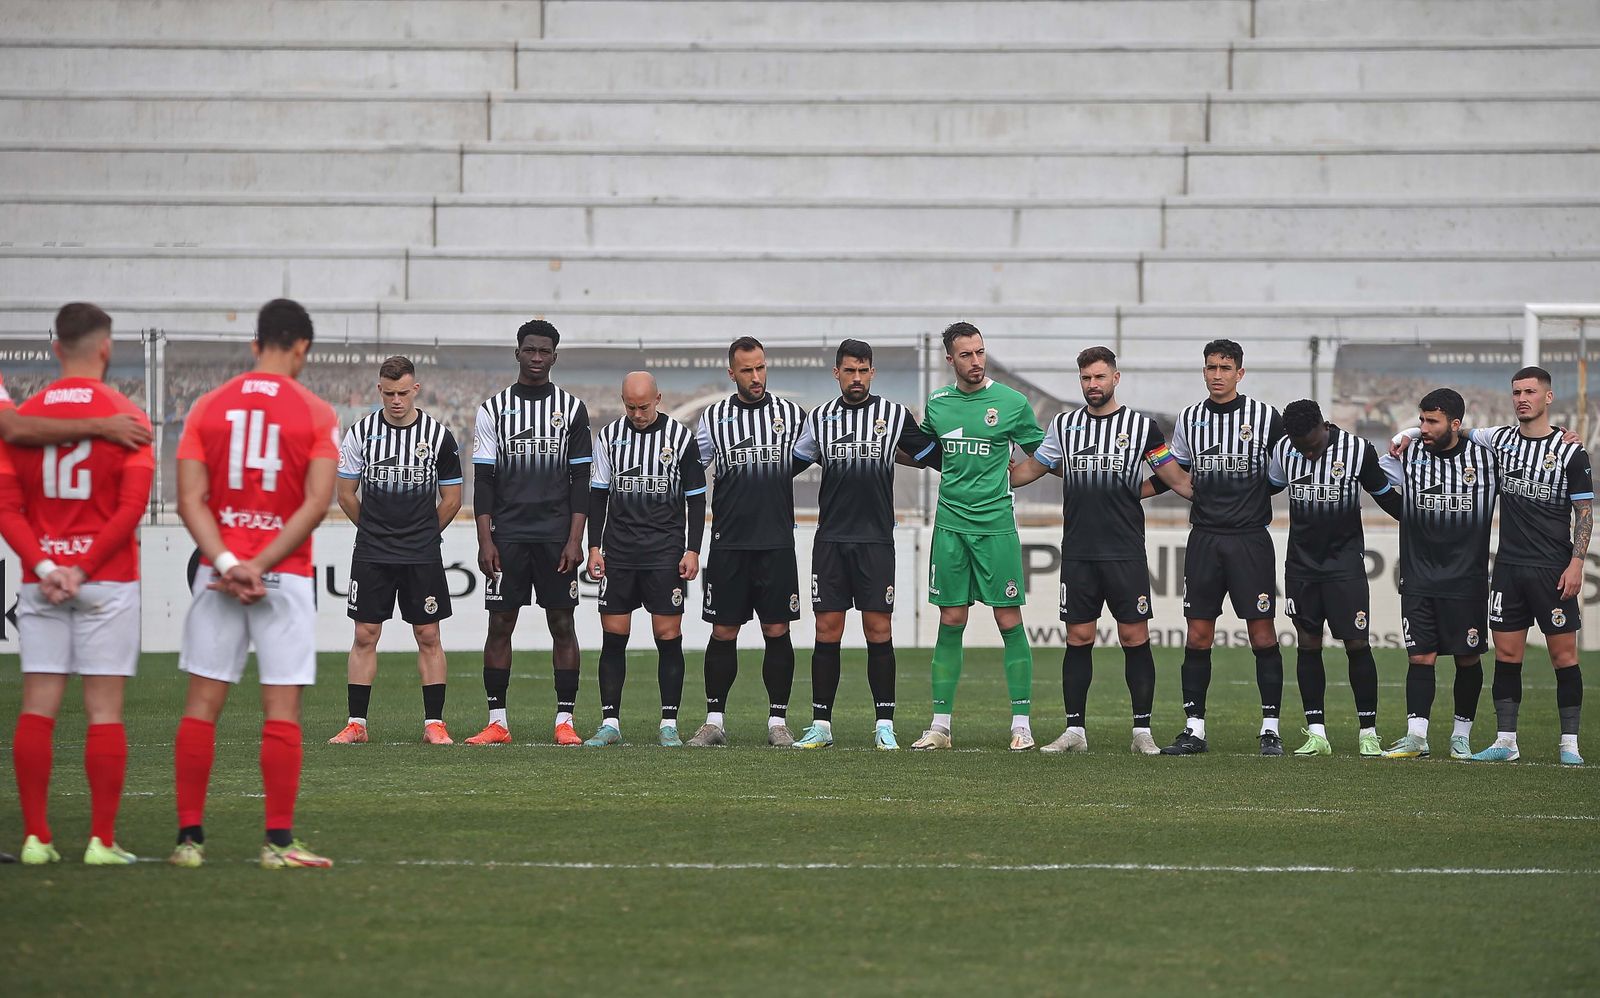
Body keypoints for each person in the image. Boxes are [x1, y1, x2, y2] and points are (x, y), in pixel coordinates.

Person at [169, 298, 339, 869]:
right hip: (282, 576)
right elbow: (317, 503)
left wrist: (225, 560)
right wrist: (260, 565)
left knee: (201, 706)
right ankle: (278, 844)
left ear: (254, 345)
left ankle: (189, 842)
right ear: (302, 349)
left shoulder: (207, 408)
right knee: (281, 709)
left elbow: (187, 500)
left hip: (218, 576)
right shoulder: (315, 412)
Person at [0, 302, 153, 866]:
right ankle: (101, 841)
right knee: (104, 712)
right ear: (106, 349)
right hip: (105, 580)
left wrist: (46, 567)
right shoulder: (126, 416)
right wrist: (84, 568)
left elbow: (7, 506)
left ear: (55, 348)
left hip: (42, 582)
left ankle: (36, 839)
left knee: (37, 707)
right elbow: (132, 506)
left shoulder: (21, 416)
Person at [1393, 368, 1589, 765]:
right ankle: (1506, 741)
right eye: (1517, 392)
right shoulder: (1498, 441)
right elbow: (1450, 430)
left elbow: (1584, 511)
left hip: (1553, 567)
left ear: (1547, 398)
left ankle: (1570, 743)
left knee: (1564, 658)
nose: (1522, 398)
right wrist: (1406, 434)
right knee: (1506, 656)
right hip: (1509, 568)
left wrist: (1577, 562)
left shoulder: (1571, 450)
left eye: (1530, 392)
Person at [1009, 345, 1191, 755]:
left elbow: (1174, 477)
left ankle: (1141, 731)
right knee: (1078, 637)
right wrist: (990, 472)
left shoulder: (1142, 427)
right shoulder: (1064, 425)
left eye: (1099, 377)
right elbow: (1031, 469)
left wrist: (1216, 495)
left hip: (1125, 550)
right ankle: (1075, 730)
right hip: (1078, 551)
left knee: (1133, 635)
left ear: (1115, 378)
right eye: (1086, 378)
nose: (1093, 385)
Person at [789, 339, 940, 750]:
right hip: (832, 540)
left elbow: (935, 456)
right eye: (849, 371)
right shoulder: (819, 419)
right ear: (836, 373)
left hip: (875, 540)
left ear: (872, 373)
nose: (856, 378)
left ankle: (884, 725)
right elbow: (789, 464)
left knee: (878, 630)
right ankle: (821, 725)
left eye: (863, 370)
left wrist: (984, 458)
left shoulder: (893, 415)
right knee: (827, 629)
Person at [910, 322, 1045, 751]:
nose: (976, 361)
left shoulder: (1010, 402)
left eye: (980, 352)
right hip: (950, 526)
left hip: (995, 527)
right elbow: (926, 452)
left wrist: (1015, 480)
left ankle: (1021, 724)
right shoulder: (938, 404)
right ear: (949, 359)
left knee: (1009, 620)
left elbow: (1043, 452)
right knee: (951, 620)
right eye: (965, 354)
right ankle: (940, 726)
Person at [1155, 339, 1288, 756]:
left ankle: (1270, 728)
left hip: (1250, 539)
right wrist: (1135, 491)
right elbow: (1173, 468)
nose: (1217, 374)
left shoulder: (1266, 418)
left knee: (1262, 635)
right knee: (1197, 635)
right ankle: (1194, 729)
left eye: (1225, 368)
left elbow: (1283, 470)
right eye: (1211, 367)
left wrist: (1250, 498)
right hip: (1205, 539)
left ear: (1240, 373)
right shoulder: (1191, 418)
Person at [466, 319, 591, 746]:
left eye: (544, 351)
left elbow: (581, 481)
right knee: (500, 623)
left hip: (556, 537)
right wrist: (485, 540)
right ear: (517, 353)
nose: (537, 358)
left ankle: (565, 721)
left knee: (562, 621)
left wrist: (576, 539)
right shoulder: (493, 409)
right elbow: (483, 479)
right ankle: (498, 722)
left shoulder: (572, 409)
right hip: (509, 536)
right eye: (530, 350)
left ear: (555, 356)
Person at [327, 355, 463, 746]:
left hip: (421, 553)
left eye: (403, 392)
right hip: (373, 551)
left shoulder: (439, 436)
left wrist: (421, 535)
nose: (396, 400)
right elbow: (345, 494)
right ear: (379, 391)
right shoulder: (361, 433)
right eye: (389, 394)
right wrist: (375, 531)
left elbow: (452, 499)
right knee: (365, 633)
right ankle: (357, 724)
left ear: (415, 389)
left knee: (428, 634)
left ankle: (434, 724)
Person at [686, 337, 806, 748]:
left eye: (760, 368)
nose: (756, 377)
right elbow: (689, 468)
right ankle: (714, 721)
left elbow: (816, 455)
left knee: (777, 629)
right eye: (747, 370)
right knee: (723, 631)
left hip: (775, 542)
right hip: (729, 543)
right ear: (731, 373)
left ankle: (777, 722)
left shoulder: (791, 415)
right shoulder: (714, 417)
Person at [1268, 399, 1402, 757]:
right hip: (1301, 565)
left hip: (1344, 564)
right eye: (1300, 447)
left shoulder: (1357, 450)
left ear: (1322, 427)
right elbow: (1265, 488)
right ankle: (1317, 734)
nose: (1306, 453)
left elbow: (1385, 494)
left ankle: (1368, 733)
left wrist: (1420, 524)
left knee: (1356, 643)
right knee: (1308, 643)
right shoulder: (1285, 448)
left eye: (1311, 445)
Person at [584, 372, 706, 747]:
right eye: (630, 407)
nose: (637, 414)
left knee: (668, 637)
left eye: (644, 406)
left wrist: (692, 549)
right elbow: (598, 495)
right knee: (614, 638)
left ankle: (668, 724)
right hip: (619, 553)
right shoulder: (610, 437)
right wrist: (593, 547)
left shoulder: (680, 439)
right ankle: (610, 724)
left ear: (658, 399)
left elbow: (697, 497)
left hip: (664, 553)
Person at [1378, 388, 1498, 760]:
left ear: (1456, 424)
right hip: (1418, 577)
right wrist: (1407, 512)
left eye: (1432, 421)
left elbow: (1525, 440)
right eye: (1421, 420)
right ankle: (1417, 737)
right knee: (1420, 658)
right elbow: (1375, 480)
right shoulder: (1409, 453)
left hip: (1466, 580)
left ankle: (1461, 736)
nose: (1423, 428)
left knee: (1467, 658)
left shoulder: (1487, 458)